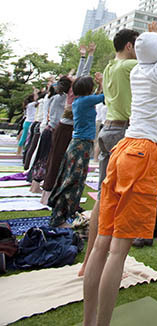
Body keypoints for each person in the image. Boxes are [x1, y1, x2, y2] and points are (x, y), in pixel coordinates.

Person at [83, 4, 157, 326]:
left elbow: (155, 53)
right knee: (118, 250)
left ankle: (90, 322)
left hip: (122, 148)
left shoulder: (137, 69)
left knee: (102, 244)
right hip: (142, 153)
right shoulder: (156, 71)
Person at [78, 28, 138, 277]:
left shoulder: (112, 67)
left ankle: (88, 261)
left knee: (103, 198)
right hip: (122, 133)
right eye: (138, 44)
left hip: (107, 131)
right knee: (124, 200)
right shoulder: (128, 66)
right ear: (128, 46)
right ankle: (113, 264)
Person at [48, 72, 104, 227]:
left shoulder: (80, 101)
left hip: (78, 144)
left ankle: (64, 213)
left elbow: (97, 96)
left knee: (73, 179)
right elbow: (105, 96)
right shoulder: (85, 101)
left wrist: (99, 84)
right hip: (81, 145)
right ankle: (58, 218)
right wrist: (104, 81)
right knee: (72, 180)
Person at [42, 46, 95, 205]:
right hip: (65, 129)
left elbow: (83, 73)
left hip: (67, 128)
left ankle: (52, 194)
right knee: (56, 160)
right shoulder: (75, 90)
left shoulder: (74, 91)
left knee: (59, 161)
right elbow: (83, 73)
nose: (75, 78)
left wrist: (85, 56)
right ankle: (46, 195)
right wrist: (87, 56)